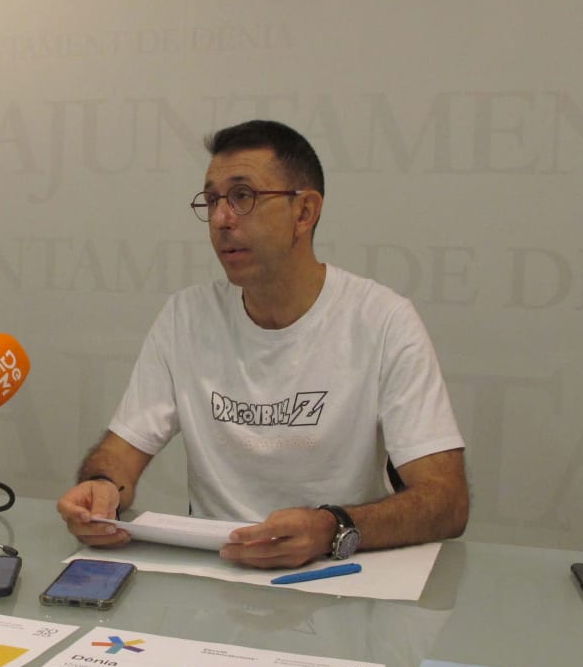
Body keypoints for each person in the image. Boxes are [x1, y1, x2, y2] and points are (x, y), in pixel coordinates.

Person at [56, 119, 468, 568]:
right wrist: (102, 487)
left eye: (243, 197)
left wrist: (329, 529)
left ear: (304, 212)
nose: (221, 219)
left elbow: (446, 501)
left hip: (336, 573)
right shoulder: (186, 316)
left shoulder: (383, 320)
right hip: (216, 574)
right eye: (212, 201)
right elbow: (120, 453)